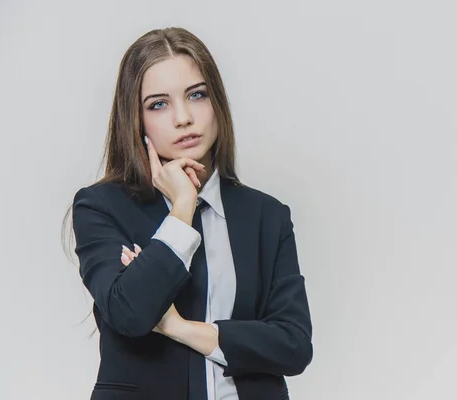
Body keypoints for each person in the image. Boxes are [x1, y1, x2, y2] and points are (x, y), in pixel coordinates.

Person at [70, 27, 313, 400]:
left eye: (196, 95)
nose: (183, 118)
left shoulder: (267, 215)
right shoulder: (101, 207)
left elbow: (293, 346)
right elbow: (131, 313)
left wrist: (176, 326)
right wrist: (181, 209)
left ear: (217, 102)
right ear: (135, 120)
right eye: (158, 104)